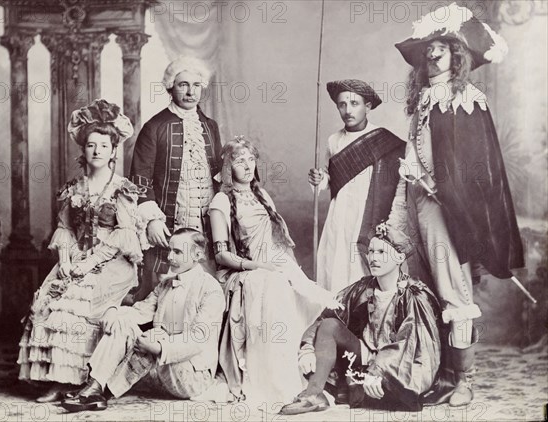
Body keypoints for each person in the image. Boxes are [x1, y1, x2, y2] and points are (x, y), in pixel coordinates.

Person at [387, 3, 524, 407]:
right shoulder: (426, 98)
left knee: (455, 291)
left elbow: (474, 166)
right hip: (417, 203)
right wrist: (405, 195)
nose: (431, 57)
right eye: (428, 52)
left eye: (440, 51)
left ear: (457, 56)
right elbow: (415, 157)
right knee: (423, 288)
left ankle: (465, 379)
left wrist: (433, 185)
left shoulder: (465, 97)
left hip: (447, 207)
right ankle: (440, 372)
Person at [18, 99, 147, 402]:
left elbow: (123, 234)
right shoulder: (73, 187)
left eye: (104, 145)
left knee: (78, 311)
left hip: (111, 263)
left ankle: (82, 381)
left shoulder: (123, 189)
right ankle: (57, 380)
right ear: (83, 150)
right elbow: (64, 227)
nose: (97, 151)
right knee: (51, 304)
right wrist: (65, 258)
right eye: (91, 145)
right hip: (76, 255)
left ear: (114, 150)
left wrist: (91, 262)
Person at [209, 137, 341, 407]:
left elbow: (278, 243)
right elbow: (221, 255)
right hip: (244, 270)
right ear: (227, 167)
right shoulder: (221, 202)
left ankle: (305, 377)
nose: (247, 165)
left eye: (250, 159)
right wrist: (257, 265)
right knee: (272, 286)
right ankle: (275, 381)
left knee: (311, 294)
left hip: (275, 263)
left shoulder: (262, 195)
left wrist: (291, 271)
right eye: (239, 160)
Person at [280, 223, 442, 415]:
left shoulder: (414, 295)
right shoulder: (362, 288)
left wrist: (378, 371)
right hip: (362, 360)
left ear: (399, 257)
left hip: (397, 371)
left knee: (391, 385)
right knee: (330, 325)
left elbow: (415, 346)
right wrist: (307, 348)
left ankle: (365, 388)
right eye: (371, 251)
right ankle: (313, 394)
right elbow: (327, 316)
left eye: (382, 252)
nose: (373, 257)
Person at [60, 228, 225, 412]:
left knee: (154, 336)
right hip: (163, 369)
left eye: (177, 252)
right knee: (123, 323)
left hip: (193, 375)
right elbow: (139, 311)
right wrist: (114, 311)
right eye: (169, 250)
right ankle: (95, 386)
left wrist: (159, 347)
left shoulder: (211, 289)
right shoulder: (166, 284)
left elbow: (197, 340)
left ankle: (99, 390)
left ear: (198, 254)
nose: (170, 257)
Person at [129, 56, 222, 302]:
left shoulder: (210, 126)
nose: (191, 91)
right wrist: (151, 221)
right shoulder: (155, 127)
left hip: (207, 223)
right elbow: (139, 178)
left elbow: (219, 174)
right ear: (171, 87)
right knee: (165, 292)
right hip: (169, 223)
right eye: (183, 85)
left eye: (196, 85)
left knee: (206, 290)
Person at [309, 79, 405, 294]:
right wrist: (319, 180)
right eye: (342, 104)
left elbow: (397, 181)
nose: (347, 110)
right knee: (337, 260)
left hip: (368, 212)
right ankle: (338, 312)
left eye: (354, 103)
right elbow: (329, 178)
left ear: (367, 107)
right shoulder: (334, 140)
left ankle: (365, 312)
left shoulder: (383, 139)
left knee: (363, 261)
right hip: (340, 213)